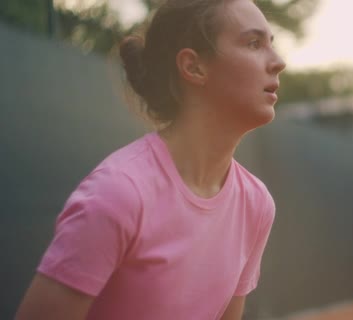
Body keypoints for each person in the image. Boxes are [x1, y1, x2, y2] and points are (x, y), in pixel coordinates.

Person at [15, 0, 286, 319]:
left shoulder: (256, 205)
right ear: (194, 67)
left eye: (271, 44)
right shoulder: (117, 195)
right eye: (254, 43)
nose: (279, 62)